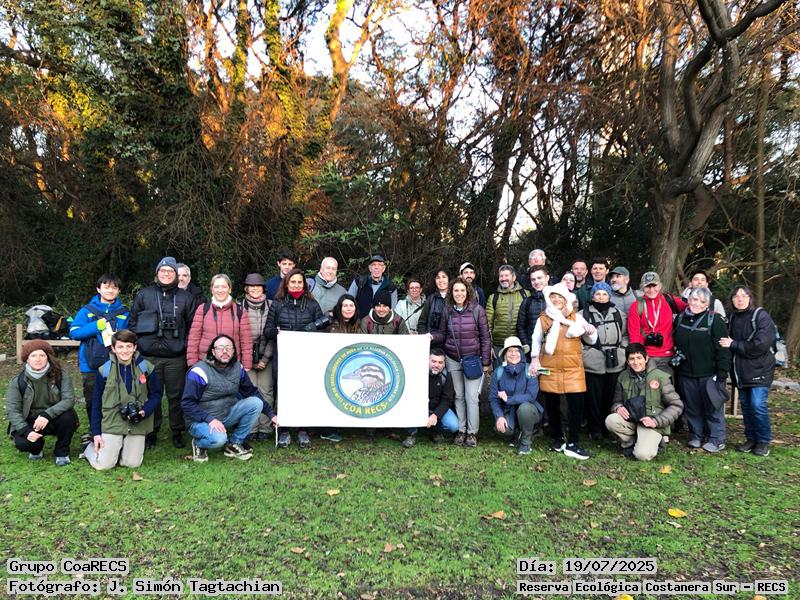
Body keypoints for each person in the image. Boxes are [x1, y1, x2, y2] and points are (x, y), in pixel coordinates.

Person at [129, 256, 195, 449]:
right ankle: (151, 431)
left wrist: (184, 346)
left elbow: (193, 326)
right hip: (149, 355)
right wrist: (138, 346)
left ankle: (177, 431)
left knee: (176, 395)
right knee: (151, 394)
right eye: (162, 271)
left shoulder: (186, 297)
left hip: (175, 357)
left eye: (170, 271)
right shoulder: (144, 295)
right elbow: (132, 323)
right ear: (157, 273)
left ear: (176, 274)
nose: (166, 274)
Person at [182, 335, 278, 462]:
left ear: (233, 351)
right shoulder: (199, 372)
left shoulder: (238, 368)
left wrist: (271, 415)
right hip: (201, 420)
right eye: (220, 348)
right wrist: (209, 419)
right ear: (213, 351)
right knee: (219, 439)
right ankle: (199, 443)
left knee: (256, 402)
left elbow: (251, 392)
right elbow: (187, 403)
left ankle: (234, 443)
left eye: (228, 348)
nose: (225, 351)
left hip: (226, 414)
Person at [529, 282, 597, 460]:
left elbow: (591, 339)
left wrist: (590, 331)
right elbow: (536, 340)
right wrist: (535, 359)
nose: (556, 300)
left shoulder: (576, 318)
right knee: (552, 406)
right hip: (549, 367)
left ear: (566, 299)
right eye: (553, 297)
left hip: (572, 368)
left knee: (576, 406)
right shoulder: (543, 319)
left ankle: (573, 442)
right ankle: (557, 439)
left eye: (560, 297)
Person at [84, 330, 162, 470]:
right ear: (113, 348)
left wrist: (145, 410)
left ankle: (119, 450)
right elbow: (96, 403)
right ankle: (89, 449)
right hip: (112, 421)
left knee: (132, 463)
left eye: (128, 346)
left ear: (134, 347)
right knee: (104, 465)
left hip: (137, 421)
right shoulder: (104, 370)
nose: (125, 351)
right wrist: (96, 433)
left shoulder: (146, 368)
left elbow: (156, 394)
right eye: (120, 347)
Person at [265, 268, 325, 448]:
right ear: (286, 284)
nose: (296, 285)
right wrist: (277, 332)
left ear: (304, 285)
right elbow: (267, 330)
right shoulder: (277, 304)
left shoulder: (312, 304)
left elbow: (322, 325)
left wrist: (311, 329)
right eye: (293, 282)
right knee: (283, 392)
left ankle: (302, 429)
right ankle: (284, 430)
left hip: (305, 356)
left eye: (300, 282)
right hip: (283, 355)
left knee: (304, 391)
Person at [432, 278, 491, 447]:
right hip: (453, 359)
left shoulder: (477, 310)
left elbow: (485, 337)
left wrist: (486, 362)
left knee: (471, 397)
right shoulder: (447, 311)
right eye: (456, 290)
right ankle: (461, 430)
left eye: (462, 290)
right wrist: (431, 336)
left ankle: (472, 433)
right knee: (458, 396)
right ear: (451, 293)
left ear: (468, 292)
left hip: (472, 360)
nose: (459, 294)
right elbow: (442, 334)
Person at [69, 274, 130, 439]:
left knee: (117, 396)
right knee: (92, 398)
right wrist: (96, 325)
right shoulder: (87, 311)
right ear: (98, 289)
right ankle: (94, 430)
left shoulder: (124, 313)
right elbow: (74, 333)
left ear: (118, 291)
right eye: (106, 287)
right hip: (90, 364)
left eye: (114, 288)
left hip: (117, 362)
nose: (110, 290)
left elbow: (130, 335)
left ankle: (115, 429)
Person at [672, 287, 732, 453]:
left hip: (709, 374)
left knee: (713, 407)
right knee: (692, 407)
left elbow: (723, 348)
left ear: (707, 304)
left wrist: (722, 371)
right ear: (688, 300)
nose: (697, 304)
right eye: (694, 299)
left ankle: (717, 439)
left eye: (702, 301)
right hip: (686, 373)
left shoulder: (715, 320)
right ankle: (696, 435)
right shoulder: (680, 319)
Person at [720, 285, 775, 456]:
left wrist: (734, 344)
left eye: (744, 295)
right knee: (746, 406)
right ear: (731, 300)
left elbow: (761, 344)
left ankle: (763, 441)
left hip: (760, 369)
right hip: (740, 371)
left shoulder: (760, 316)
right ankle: (751, 438)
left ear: (750, 298)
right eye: (736, 296)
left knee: (757, 405)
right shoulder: (732, 318)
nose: (740, 299)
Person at [605, 344, 683, 461]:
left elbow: (676, 405)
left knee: (642, 455)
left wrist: (656, 421)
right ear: (627, 361)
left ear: (646, 359)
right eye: (632, 359)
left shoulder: (660, 377)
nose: (636, 362)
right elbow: (617, 401)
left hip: (652, 424)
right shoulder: (623, 377)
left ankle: (657, 442)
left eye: (639, 358)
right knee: (611, 420)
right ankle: (631, 443)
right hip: (632, 420)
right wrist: (618, 407)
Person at [6, 340, 78, 465]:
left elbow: (69, 399)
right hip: (31, 420)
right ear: (27, 359)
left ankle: (62, 451)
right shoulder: (17, 381)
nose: (38, 359)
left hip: (54, 416)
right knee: (23, 443)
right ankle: (36, 449)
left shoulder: (61, 375)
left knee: (68, 418)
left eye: (42, 355)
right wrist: (26, 431)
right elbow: (12, 410)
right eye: (33, 355)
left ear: (48, 357)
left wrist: (47, 415)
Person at [581, 282, 627, 441]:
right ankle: (595, 430)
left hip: (615, 362)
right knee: (593, 398)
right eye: (598, 294)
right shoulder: (583, 315)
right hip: (592, 362)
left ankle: (609, 428)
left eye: (604, 294)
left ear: (609, 296)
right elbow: (576, 339)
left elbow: (625, 335)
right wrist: (586, 353)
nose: (601, 297)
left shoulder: (619, 314)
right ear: (592, 296)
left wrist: (622, 350)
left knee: (611, 396)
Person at [186, 274, 254, 370]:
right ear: (212, 289)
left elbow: (246, 340)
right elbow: (194, 338)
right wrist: (192, 363)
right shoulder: (203, 309)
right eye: (216, 287)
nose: (220, 290)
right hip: (206, 363)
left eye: (224, 287)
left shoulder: (240, 310)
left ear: (229, 289)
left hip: (231, 364)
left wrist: (246, 365)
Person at [489, 336, 542, 455]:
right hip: (509, 411)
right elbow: (493, 398)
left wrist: (509, 399)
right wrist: (499, 416)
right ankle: (516, 434)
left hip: (529, 411)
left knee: (524, 409)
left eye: (517, 350)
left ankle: (526, 442)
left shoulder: (530, 369)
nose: (513, 354)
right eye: (510, 351)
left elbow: (531, 395)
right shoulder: (498, 372)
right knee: (502, 430)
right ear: (505, 355)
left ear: (521, 353)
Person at [627, 271, 687, 374]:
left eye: (654, 286)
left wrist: (712, 314)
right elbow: (634, 335)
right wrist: (637, 357)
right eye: (647, 287)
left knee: (666, 383)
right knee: (650, 383)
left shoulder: (669, 300)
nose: (651, 290)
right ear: (642, 287)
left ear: (659, 286)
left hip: (667, 354)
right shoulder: (636, 306)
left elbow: (692, 309)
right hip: (646, 356)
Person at [320, 294, 361, 443]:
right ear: (339, 307)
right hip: (330, 367)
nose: (348, 309)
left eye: (351, 306)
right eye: (345, 306)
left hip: (349, 366)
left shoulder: (358, 324)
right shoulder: (329, 322)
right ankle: (326, 430)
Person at [240, 273, 274, 442]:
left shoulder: (271, 306)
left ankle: (266, 428)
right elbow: (237, 335)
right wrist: (247, 360)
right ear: (246, 288)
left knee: (266, 391)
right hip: (246, 358)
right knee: (249, 393)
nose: (254, 289)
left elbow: (274, 334)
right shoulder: (239, 307)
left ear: (263, 288)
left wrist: (265, 359)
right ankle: (251, 428)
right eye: (251, 286)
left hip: (266, 356)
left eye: (258, 286)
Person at [401, 348, 459, 448]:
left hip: (436, 408)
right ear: (427, 360)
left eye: (440, 362)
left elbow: (447, 400)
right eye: (433, 361)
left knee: (454, 426)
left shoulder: (446, 376)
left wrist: (435, 415)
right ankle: (411, 433)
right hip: (417, 408)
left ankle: (435, 431)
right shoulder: (417, 373)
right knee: (405, 408)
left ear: (444, 364)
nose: (436, 365)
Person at [486, 265, 528, 361]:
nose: (503, 278)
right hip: (499, 346)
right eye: (501, 276)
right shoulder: (493, 297)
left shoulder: (525, 294)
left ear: (514, 277)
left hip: (519, 345)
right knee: (499, 370)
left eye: (506, 275)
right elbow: (488, 324)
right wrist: (490, 346)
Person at [516, 267, 548, 359]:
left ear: (547, 278)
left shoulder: (557, 299)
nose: (536, 282)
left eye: (539, 278)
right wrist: (527, 344)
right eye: (533, 279)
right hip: (533, 351)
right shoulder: (527, 302)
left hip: (554, 350)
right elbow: (520, 326)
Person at [417, 269, 450, 342]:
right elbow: (422, 322)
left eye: (444, 277)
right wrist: (425, 338)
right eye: (438, 277)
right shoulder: (430, 299)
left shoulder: (455, 297)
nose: (441, 280)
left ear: (449, 279)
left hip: (451, 344)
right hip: (433, 343)